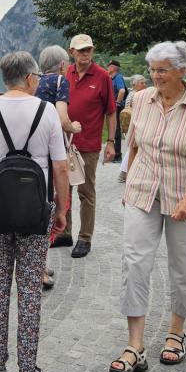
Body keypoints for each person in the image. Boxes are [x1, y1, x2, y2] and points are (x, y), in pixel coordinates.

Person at [110, 41, 186, 372]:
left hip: (185, 196)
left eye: (162, 70)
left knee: (183, 265)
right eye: (152, 70)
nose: (156, 76)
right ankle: (135, 345)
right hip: (143, 191)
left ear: (181, 71)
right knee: (134, 261)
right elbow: (134, 146)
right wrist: (129, 182)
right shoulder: (142, 99)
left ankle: (176, 332)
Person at [0, 52, 70, 372]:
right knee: (29, 291)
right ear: (28, 77)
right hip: (36, 213)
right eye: (36, 76)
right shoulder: (47, 111)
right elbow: (60, 166)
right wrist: (61, 209)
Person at [64, 34, 117, 257]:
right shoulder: (66, 73)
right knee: (63, 190)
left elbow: (111, 112)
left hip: (88, 145)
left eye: (88, 49)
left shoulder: (102, 76)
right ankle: (64, 232)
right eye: (81, 50)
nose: (85, 53)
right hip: (64, 143)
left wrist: (111, 142)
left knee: (86, 192)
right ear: (72, 52)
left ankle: (85, 238)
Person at [36, 45, 82, 289]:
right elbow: (62, 117)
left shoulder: (34, 82)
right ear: (63, 65)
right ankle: (39, 268)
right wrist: (74, 127)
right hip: (50, 153)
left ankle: (40, 264)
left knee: (38, 206)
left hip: (32, 151)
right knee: (50, 208)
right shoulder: (60, 81)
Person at [118, 75, 148, 182]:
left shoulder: (133, 94)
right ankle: (125, 173)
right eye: (142, 83)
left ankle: (127, 173)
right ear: (135, 85)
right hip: (134, 125)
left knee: (133, 149)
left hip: (133, 125)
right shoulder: (136, 95)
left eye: (144, 83)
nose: (144, 85)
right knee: (133, 149)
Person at [107, 60, 127, 163]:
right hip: (114, 107)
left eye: (109, 66)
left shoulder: (118, 77)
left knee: (116, 130)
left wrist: (117, 103)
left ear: (113, 68)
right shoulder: (112, 78)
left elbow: (122, 90)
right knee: (114, 130)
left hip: (118, 107)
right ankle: (114, 153)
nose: (107, 68)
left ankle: (117, 155)